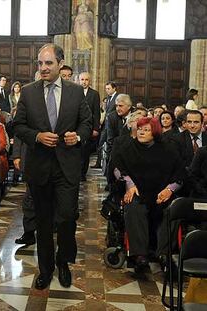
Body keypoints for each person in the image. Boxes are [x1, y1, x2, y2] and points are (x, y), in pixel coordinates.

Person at [14, 43, 92, 290]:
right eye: (40, 63)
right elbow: (16, 126)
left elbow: (87, 123)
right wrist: (36, 136)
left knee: (67, 217)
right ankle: (46, 269)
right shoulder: (28, 92)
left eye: (49, 63)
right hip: (39, 167)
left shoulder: (76, 92)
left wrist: (77, 137)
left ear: (60, 64)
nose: (44, 68)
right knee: (44, 222)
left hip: (66, 166)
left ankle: (64, 261)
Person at [112, 117, 184, 271]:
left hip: (161, 192)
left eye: (146, 130)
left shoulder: (168, 149)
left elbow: (180, 174)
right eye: (139, 129)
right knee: (134, 206)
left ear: (155, 132)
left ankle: (164, 254)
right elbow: (117, 168)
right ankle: (139, 255)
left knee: (172, 209)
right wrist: (129, 184)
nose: (141, 132)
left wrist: (170, 189)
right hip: (138, 191)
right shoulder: (127, 147)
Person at [78, 72, 100, 181]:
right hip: (76, 127)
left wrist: (96, 128)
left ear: (89, 81)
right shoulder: (74, 92)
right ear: (79, 80)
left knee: (85, 152)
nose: (84, 82)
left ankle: (82, 174)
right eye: (82, 79)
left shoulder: (94, 94)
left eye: (86, 80)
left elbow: (96, 113)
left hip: (88, 127)